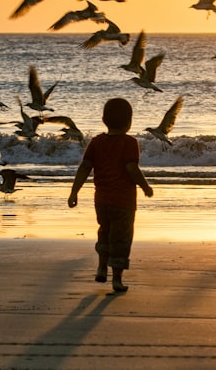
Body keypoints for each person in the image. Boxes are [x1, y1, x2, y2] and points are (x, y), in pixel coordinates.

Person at [68, 97, 153, 292]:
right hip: (124, 202)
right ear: (129, 121)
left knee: (104, 233)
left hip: (102, 201)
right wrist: (145, 186)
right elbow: (132, 168)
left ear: (103, 119)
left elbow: (84, 168)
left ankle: (100, 268)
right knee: (121, 239)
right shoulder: (130, 143)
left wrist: (74, 192)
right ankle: (116, 279)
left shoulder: (96, 142)